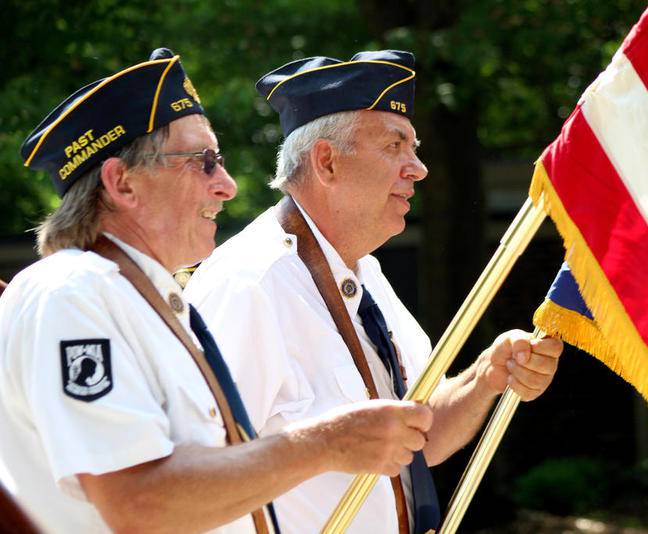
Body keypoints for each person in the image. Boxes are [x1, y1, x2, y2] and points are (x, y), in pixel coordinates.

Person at [0, 49, 435, 534]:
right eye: (202, 162)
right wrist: (325, 443)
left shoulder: (145, 302)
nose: (227, 186)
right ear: (122, 182)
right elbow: (138, 503)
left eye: (220, 162)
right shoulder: (72, 293)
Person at [184, 50, 564, 534]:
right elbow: (201, 485)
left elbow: (418, 432)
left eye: (415, 147)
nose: (418, 168)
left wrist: (486, 376)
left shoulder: (368, 274)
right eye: (394, 146)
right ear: (327, 161)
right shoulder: (248, 284)